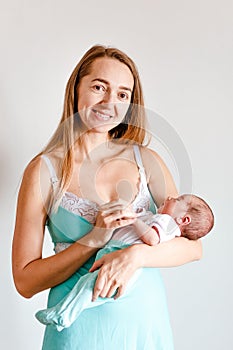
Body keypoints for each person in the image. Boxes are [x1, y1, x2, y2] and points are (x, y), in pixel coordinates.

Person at [12, 44, 203, 350]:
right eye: (99, 87)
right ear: (76, 89)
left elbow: (193, 248)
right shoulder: (42, 171)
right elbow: (24, 281)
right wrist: (94, 239)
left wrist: (136, 255)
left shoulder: (148, 160)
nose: (109, 102)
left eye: (123, 94)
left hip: (145, 328)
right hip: (76, 334)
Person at [35, 193, 214, 331]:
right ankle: (63, 311)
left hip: (120, 257)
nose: (170, 197)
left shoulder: (167, 223)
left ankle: (64, 314)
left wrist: (134, 223)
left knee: (91, 288)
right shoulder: (162, 219)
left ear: (184, 220)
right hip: (114, 254)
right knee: (86, 285)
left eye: (177, 199)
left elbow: (152, 238)